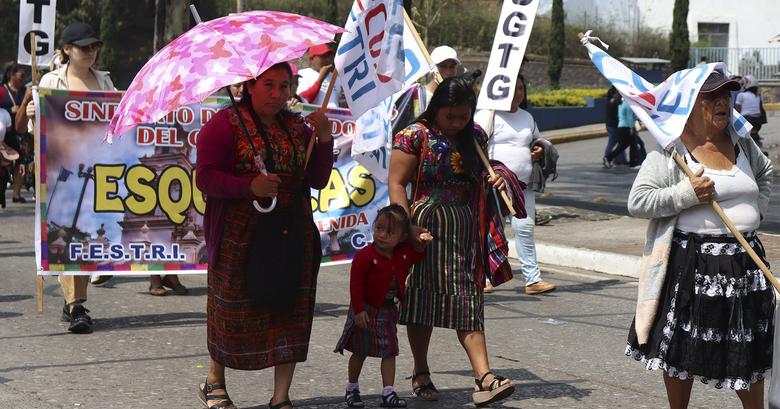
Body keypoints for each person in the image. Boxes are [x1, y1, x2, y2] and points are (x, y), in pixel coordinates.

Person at [624, 70, 774, 408]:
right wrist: (686, 192)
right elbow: (638, 201)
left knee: (746, 349)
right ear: (690, 104)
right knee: (682, 351)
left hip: (745, 262)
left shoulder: (741, 142)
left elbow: (765, 173)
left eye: (727, 94)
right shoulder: (671, 153)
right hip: (693, 263)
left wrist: (757, 211)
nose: (723, 102)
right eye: (711, 97)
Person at [195, 61, 334, 409]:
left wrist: (325, 140)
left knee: (290, 307)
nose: (277, 94)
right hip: (238, 233)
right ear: (249, 86)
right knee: (230, 307)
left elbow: (316, 180)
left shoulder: (298, 127)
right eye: (268, 85)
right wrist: (249, 186)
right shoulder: (223, 125)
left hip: (292, 228)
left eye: (284, 86)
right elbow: (206, 178)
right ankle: (215, 382)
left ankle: (281, 396)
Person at [388, 75, 516, 406]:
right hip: (424, 230)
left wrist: (496, 180)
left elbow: (479, 180)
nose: (457, 123)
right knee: (422, 303)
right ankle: (420, 371)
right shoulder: (414, 136)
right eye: (451, 116)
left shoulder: (474, 137)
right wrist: (408, 229)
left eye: (463, 116)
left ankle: (484, 377)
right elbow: (397, 183)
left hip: (465, 230)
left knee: (468, 301)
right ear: (436, 109)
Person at [26, 22, 116, 333]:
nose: (90, 52)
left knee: (88, 234)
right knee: (67, 232)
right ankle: (77, 305)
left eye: (94, 46)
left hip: (98, 170)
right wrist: (35, 116)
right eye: (83, 47)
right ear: (67, 50)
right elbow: (37, 131)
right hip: (62, 172)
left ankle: (71, 301)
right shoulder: (52, 81)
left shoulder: (104, 80)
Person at [334, 204, 432, 408]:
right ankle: (352, 388)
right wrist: (359, 310)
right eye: (379, 228)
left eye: (390, 232)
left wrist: (422, 242)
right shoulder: (365, 257)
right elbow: (356, 285)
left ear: (403, 237)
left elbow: (417, 254)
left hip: (387, 311)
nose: (382, 235)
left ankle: (388, 392)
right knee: (359, 351)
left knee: (389, 351)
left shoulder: (403, 254)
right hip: (366, 310)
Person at [475, 73, 557, 296]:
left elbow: (536, 140)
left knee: (525, 228)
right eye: (514, 89)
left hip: (522, 185)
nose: (518, 93)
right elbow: (475, 144)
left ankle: (532, 280)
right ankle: (483, 278)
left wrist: (539, 149)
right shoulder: (487, 115)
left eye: (521, 88)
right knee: (490, 230)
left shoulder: (527, 117)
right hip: (495, 184)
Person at [1, 64, 30, 203]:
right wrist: (10, 109)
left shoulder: (26, 91)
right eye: (21, 75)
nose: (24, 78)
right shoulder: (2, 90)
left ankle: (16, 194)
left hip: (21, 132)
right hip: (4, 131)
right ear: (12, 76)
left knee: (21, 161)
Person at [296, 43, 343, 108]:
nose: (328, 60)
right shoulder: (303, 74)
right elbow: (302, 100)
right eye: (323, 56)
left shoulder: (336, 78)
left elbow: (337, 102)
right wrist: (320, 79)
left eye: (329, 56)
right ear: (312, 59)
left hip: (334, 117)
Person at [603, 97, 640, 168]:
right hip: (627, 127)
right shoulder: (628, 105)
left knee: (623, 146)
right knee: (632, 145)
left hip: (621, 127)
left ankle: (608, 158)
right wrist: (632, 127)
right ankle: (633, 164)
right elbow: (630, 117)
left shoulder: (621, 104)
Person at [735, 75, 766, 148]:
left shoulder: (741, 95)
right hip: (758, 123)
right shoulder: (758, 96)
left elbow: (737, 111)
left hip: (746, 121)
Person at [604, 86, 627, 165]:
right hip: (614, 126)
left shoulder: (609, 101)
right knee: (614, 144)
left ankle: (620, 160)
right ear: (614, 94)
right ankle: (608, 158)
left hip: (610, 125)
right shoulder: (616, 102)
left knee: (620, 143)